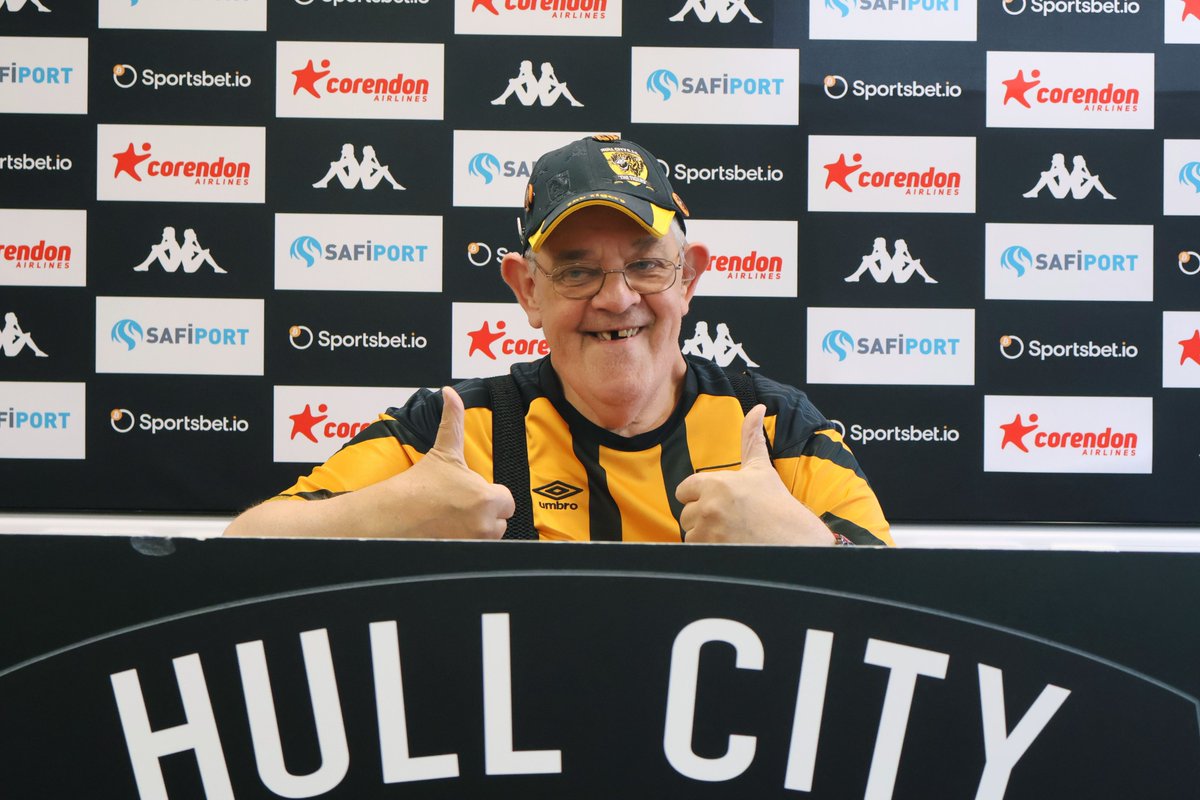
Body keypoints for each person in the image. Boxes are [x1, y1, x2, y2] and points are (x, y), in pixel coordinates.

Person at [225, 135, 890, 545]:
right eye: (576, 272)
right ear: (527, 291)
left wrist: (806, 548)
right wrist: (386, 518)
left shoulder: (773, 426)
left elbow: (899, 606)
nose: (617, 298)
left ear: (688, 278)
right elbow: (245, 545)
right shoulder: (456, 431)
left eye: (645, 265)